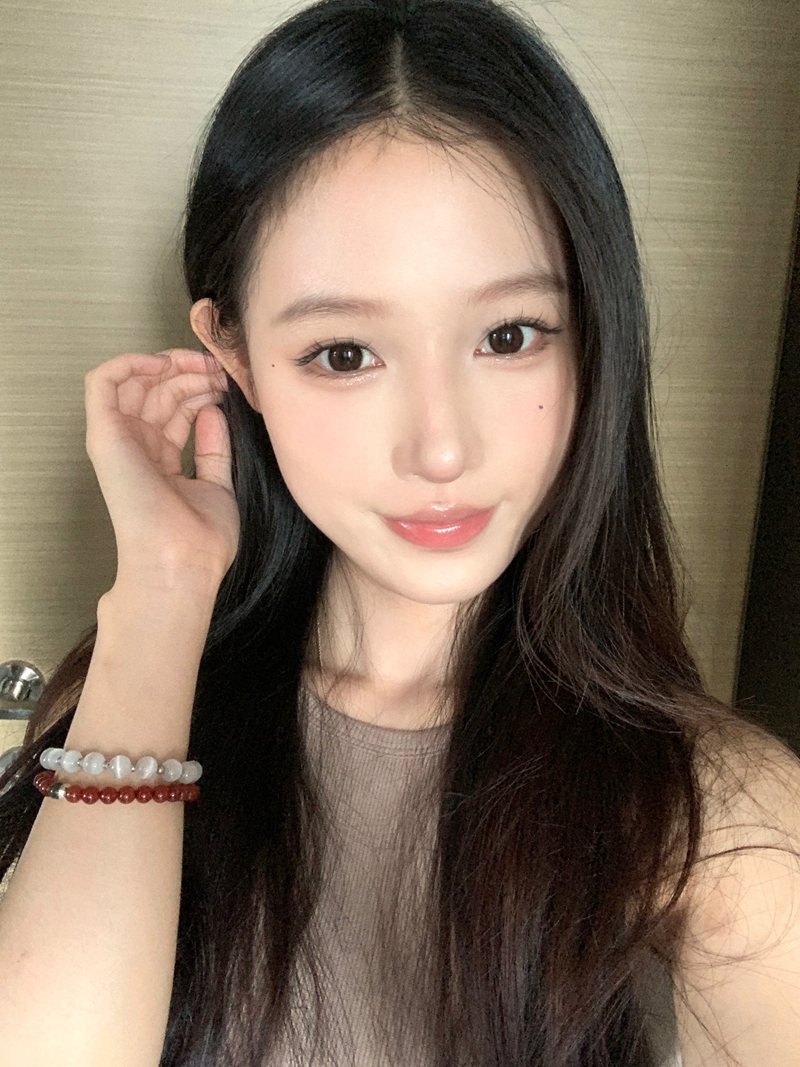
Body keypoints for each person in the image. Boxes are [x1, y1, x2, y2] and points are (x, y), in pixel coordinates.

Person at [0, 0, 798, 1063]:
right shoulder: (138, 700)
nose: (440, 448)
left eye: (509, 335)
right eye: (344, 353)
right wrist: (163, 586)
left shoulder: (719, 813)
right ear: (232, 354)